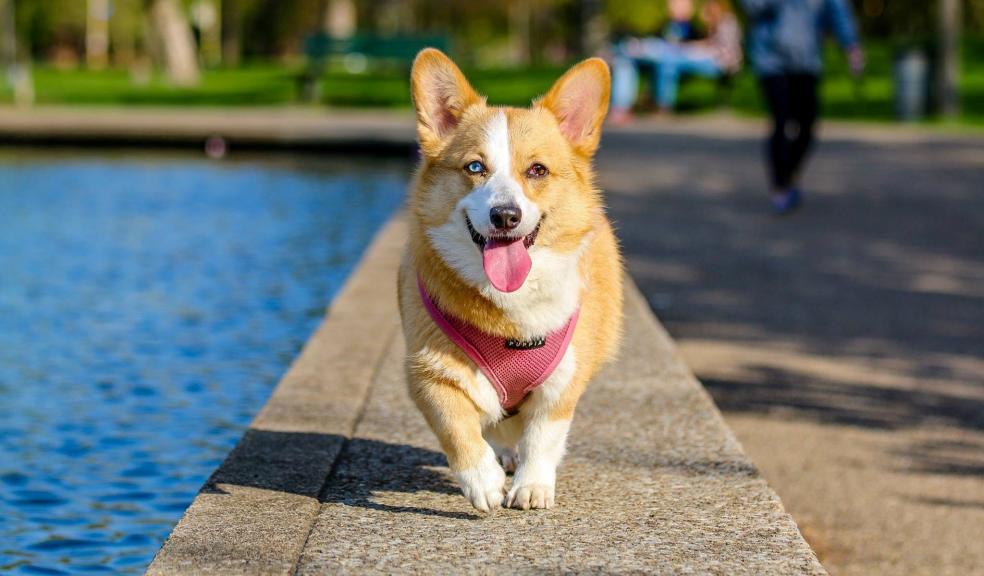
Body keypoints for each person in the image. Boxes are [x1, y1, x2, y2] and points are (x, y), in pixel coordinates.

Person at [740, 0, 865, 214]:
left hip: (807, 59)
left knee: (807, 123)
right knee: (781, 119)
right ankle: (780, 186)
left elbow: (837, 9)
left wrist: (851, 45)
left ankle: (789, 173)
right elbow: (752, 7)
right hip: (771, 59)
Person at [609, 0, 742, 122]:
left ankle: (660, 104)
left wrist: (695, 46)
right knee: (658, 60)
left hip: (722, 63)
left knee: (669, 61)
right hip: (698, 57)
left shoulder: (726, 22)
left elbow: (721, 50)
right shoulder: (670, 22)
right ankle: (645, 104)